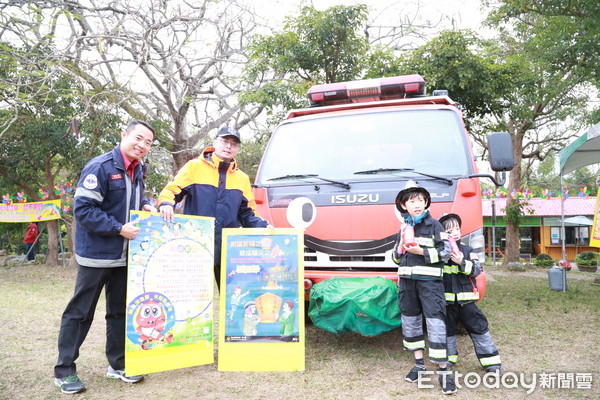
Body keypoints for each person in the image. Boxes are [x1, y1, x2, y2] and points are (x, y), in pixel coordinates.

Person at [53, 120, 157, 394]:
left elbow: (132, 200)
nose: (142, 145)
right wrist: (118, 228)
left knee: (120, 312)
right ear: (123, 135)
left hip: (126, 258)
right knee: (79, 313)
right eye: (139, 138)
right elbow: (84, 210)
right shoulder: (100, 167)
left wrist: (145, 204)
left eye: (148, 143)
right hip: (97, 257)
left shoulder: (138, 169)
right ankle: (64, 371)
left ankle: (118, 365)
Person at [157, 127, 270, 288]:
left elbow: (248, 212)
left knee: (231, 295)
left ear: (237, 149)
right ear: (215, 142)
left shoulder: (242, 178)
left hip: (228, 248)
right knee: (193, 295)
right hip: (195, 245)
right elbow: (171, 190)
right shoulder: (193, 167)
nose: (228, 146)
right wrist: (166, 203)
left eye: (234, 144)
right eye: (224, 141)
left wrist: (264, 227)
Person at [392, 180, 455, 395]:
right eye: (412, 201)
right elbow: (396, 259)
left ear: (426, 202)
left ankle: (444, 371)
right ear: (403, 205)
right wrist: (401, 246)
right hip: (407, 285)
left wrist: (421, 252)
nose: (417, 204)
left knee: (436, 323)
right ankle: (419, 365)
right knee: (411, 322)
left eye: (420, 200)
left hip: (430, 285)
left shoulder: (435, 225)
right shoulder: (404, 227)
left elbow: (446, 254)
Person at [438, 213, 502, 373]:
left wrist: (461, 262)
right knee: (447, 330)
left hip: (467, 302)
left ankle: (492, 363)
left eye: (457, 229)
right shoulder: (439, 253)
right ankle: (449, 359)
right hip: (446, 303)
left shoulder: (468, 250)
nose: (455, 233)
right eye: (449, 231)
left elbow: (476, 270)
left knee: (479, 328)